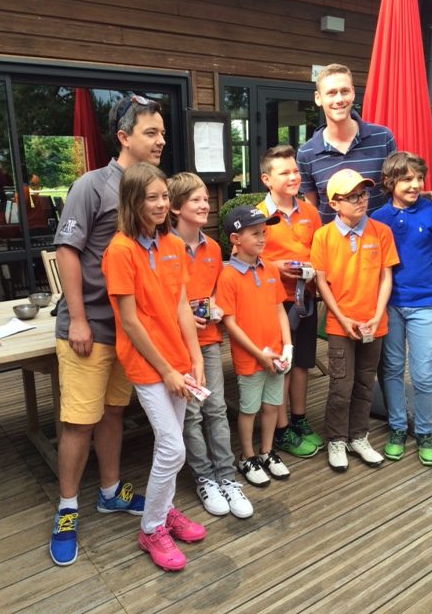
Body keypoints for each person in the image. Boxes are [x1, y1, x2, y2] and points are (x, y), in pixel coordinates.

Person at [49, 95, 166, 567]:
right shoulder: (91, 185)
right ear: (123, 137)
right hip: (90, 327)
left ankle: (111, 490)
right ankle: (67, 508)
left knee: (114, 412)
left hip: (128, 330)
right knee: (79, 420)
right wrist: (77, 317)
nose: (161, 140)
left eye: (162, 133)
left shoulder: (150, 188)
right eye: (151, 132)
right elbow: (67, 251)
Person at [102, 162, 206, 572]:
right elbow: (129, 322)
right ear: (133, 201)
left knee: (172, 441)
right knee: (172, 446)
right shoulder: (120, 251)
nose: (162, 204)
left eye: (164, 196)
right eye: (152, 198)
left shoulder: (173, 245)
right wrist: (166, 370)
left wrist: (195, 357)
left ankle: (164, 511)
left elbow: (181, 306)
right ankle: (151, 529)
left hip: (178, 358)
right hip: (148, 363)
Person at [168, 171, 253, 519]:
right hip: (176, 345)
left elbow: (217, 288)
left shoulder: (214, 248)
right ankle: (204, 477)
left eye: (206, 199)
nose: (206, 204)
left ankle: (227, 476)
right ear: (176, 208)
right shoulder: (164, 247)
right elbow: (159, 298)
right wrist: (183, 315)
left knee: (215, 408)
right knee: (191, 414)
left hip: (208, 341)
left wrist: (214, 306)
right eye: (197, 200)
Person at [310, 168, 399, 472]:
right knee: (341, 385)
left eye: (363, 194)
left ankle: (359, 436)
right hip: (340, 325)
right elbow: (321, 282)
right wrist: (342, 317)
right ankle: (336, 439)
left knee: (364, 383)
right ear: (334, 203)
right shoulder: (323, 236)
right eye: (352, 197)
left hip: (375, 323)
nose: (361, 200)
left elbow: (386, 277)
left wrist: (376, 315)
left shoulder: (380, 231)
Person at [371, 151, 432, 466]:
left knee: (423, 373)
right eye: (407, 179)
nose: (415, 184)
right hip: (390, 305)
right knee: (392, 369)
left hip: (424, 306)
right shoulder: (378, 218)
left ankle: (423, 431)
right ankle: (397, 427)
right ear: (389, 182)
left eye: (419, 178)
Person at [297, 63, 432, 224]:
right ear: (318, 98)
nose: (339, 99)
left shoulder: (382, 138)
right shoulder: (306, 153)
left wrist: (430, 196)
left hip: (382, 236)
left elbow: (398, 191)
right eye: (331, 93)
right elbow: (311, 211)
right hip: (331, 239)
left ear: (353, 93)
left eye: (344, 91)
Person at [216, 206, 293, 487]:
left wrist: (288, 345)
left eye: (263, 232)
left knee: (273, 405)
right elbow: (230, 323)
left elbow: (279, 308)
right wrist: (258, 354)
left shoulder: (269, 267)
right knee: (249, 409)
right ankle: (247, 456)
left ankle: (267, 451)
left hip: (276, 355)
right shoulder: (228, 276)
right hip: (250, 359)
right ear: (236, 239)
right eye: (255, 233)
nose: (262, 238)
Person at [257, 144, 323, 459]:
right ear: (267, 179)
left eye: (295, 170)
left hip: (306, 298)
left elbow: (320, 252)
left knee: (303, 363)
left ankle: (299, 419)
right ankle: (281, 429)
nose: (294, 177)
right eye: (284, 173)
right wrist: (276, 267)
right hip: (275, 303)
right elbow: (245, 260)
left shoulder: (310, 211)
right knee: (282, 366)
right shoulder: (258, 215)